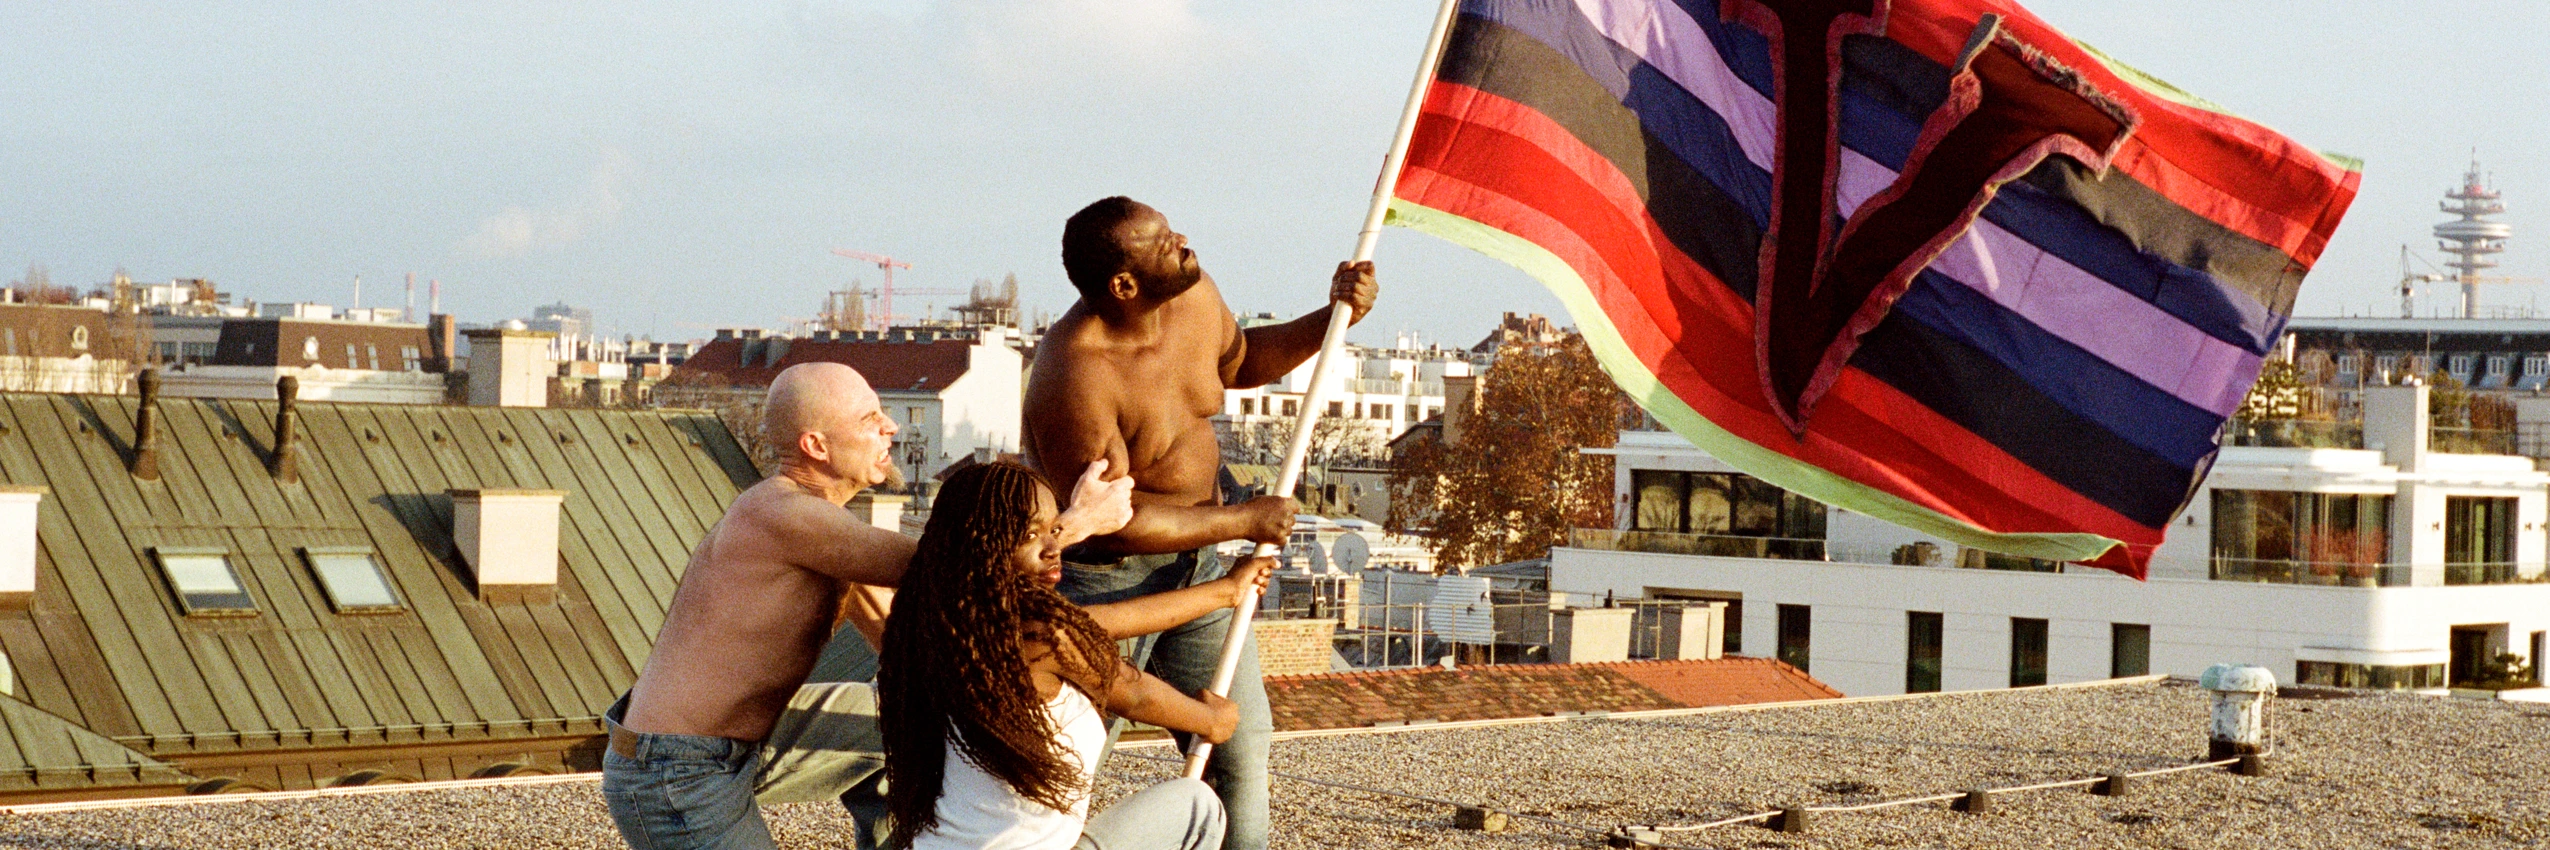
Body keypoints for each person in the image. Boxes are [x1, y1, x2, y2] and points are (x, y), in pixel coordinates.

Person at [601, 362, 1134, 850]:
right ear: (816, 445)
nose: (892, 428)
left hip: (737, 745)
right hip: (676, 770)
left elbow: (902, 643)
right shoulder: (788, 515)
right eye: (870, 418)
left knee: (893, 717)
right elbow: (965, 567)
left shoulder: (827, 532)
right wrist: (1076, 522)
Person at [1022, 196, 1377, 850]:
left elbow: (1239, 362)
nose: (1182, 240)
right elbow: (1115, 522)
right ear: (1123, 285)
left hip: (1198, 568)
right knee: (1064, 773)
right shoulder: (1076, 372)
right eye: (1161, 241)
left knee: (1237, 749)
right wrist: (1242, 518)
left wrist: (1332, 319)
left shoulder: (1192, 295)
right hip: (1099, 585)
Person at [879, 461, 1273, 850]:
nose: (1054, 548)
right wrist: (1211, 719)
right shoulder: (1043, 636)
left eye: (1054, 529)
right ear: (983, 546)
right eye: (1029, 535)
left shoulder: (944, 625)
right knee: (1198, 805)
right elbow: (1135, 694)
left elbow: (1110, 620)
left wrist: (1228, 590)